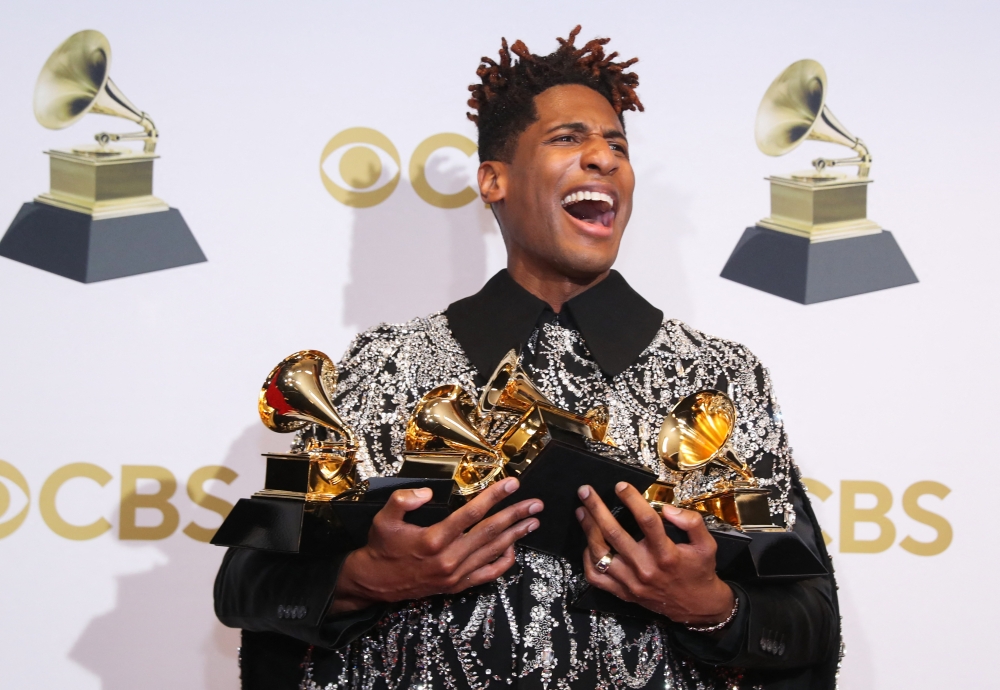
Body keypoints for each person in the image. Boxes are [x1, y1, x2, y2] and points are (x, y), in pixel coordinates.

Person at [215, 26, 840, 690]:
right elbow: (244, 585)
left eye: (617, 145)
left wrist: (711, 606)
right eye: (568, 138)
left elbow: (812, 619)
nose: (603, 157)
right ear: (494, 180)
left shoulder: (718, 380)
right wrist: (364, 577)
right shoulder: (379, 365)